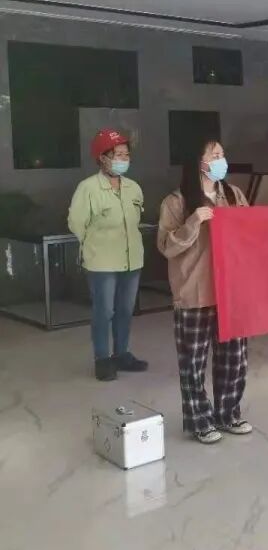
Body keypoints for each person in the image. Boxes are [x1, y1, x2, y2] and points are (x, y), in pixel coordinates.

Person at [158, 137, 253, 444]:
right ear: (198, 162)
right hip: (194, 292)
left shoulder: (233, 194)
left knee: (234, 360)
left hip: (230, 292)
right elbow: (166, 246)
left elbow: (253, 230)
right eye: (214, 155)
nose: (220, 160)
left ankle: (228, 414)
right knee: (193, 362)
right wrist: (194, 221)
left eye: (222, 154)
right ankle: (200, 420)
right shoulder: (176, 202)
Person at [68, 129, 148, 381]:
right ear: (102, 158)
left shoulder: (133, 188)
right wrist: (95, 244)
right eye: (118, 154)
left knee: (125, 309)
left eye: (126, 154)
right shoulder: (88, 188)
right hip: (102, 262)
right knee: (104, 312)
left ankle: (121, 354)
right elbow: (76, 223)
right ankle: (102, 359)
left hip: (131, 260)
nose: (124, 159)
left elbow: (135, 221)